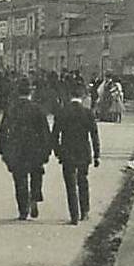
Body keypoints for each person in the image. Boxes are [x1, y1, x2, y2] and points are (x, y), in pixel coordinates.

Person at [0, 77, 54, 221]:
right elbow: (45, 132)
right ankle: (34, 198)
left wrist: (4, 151)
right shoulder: (38, 110)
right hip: (35, 150)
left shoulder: (11, 109)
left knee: (20, 180)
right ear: (31, 93)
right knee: (36, 175)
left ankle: (23, 210)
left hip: (17, 151)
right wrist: (46, 151)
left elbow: (2, 132)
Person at [52, 83, 101, 225]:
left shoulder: (62, 112)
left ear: (69, 96)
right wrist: (96, 154)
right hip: (83, 152)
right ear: (83, 96)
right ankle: (85, 211)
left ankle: (74, 215)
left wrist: (58, 152)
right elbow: (94, 135)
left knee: (70, 184)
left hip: (67, 153)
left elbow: (55, 135)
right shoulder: (87, 113)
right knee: (83, 181)